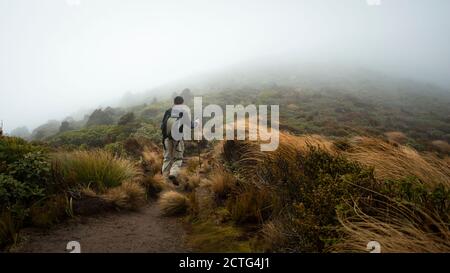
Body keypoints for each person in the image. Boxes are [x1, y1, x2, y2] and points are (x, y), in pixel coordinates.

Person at [160, 95, 198, 185]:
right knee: (178, 158)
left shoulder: (168, 111)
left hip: (166, 138)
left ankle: (163, 180)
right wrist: (197, 122)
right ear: (182, 103)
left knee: (167, 158)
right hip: (177, 139)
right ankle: (173, 173)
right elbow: (191, 125)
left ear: (174, 102)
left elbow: (162, 125)